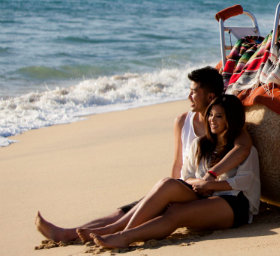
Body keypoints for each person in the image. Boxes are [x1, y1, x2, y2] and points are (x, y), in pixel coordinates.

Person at [36, 66, 253, 242]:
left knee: (163, 204)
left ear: (211, 96)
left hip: (210, 192)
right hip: (188, 186)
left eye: (194, 91)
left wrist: (208, 180)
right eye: (212, 116)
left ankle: (118, 234)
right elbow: (179, 164)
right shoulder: (187, 125)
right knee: (133, 207)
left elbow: (243, 154)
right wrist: (177, 188)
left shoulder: (230, 127)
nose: (189, 96)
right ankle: (70, 233)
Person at [85, 94, 259, 248]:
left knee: (176, 212)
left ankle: (124, 236)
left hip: (235, 202)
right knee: (167, 183)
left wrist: (211, 184)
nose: (212, 120)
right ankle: (121, 229)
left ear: (232, 119)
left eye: (219, 116)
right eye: (211, 115)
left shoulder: (245, 149)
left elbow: (245, 181)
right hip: (204, 193)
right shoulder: (200, 144)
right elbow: (186, 176)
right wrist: (202, 184)